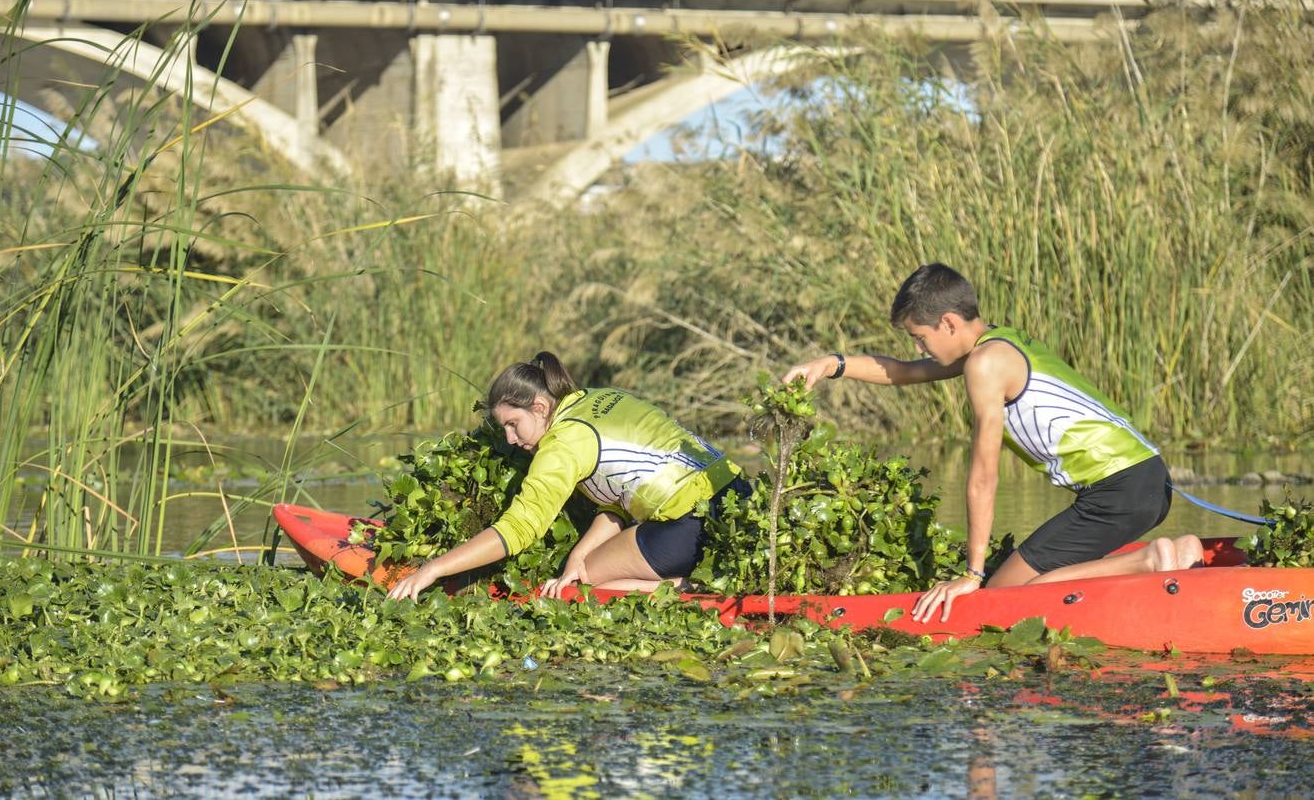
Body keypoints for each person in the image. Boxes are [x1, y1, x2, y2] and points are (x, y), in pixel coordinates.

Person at [781, 263, 1202, 624]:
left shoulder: (985, 365)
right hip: (1146, 479)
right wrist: (831, 364)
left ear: (949, 323)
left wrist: (972, 574)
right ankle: (1171, 554)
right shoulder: (998, 342)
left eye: (920, 337)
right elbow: (905, 372)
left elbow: (984, 477)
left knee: (1004, 595)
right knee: (1024, 578)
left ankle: (1149, 561)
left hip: (1119, 492)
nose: (919, 347)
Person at [388, 351, 747, 602]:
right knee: (581, 566)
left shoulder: (561, 445)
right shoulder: (598, 398)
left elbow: (519, 529)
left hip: (687, 524)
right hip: (738, 499)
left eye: (513, 424)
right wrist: (579, 552)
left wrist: (433, 569)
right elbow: (619, 496)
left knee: (582, 586)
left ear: (539, 407)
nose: (510, 439)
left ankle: (689, 588)